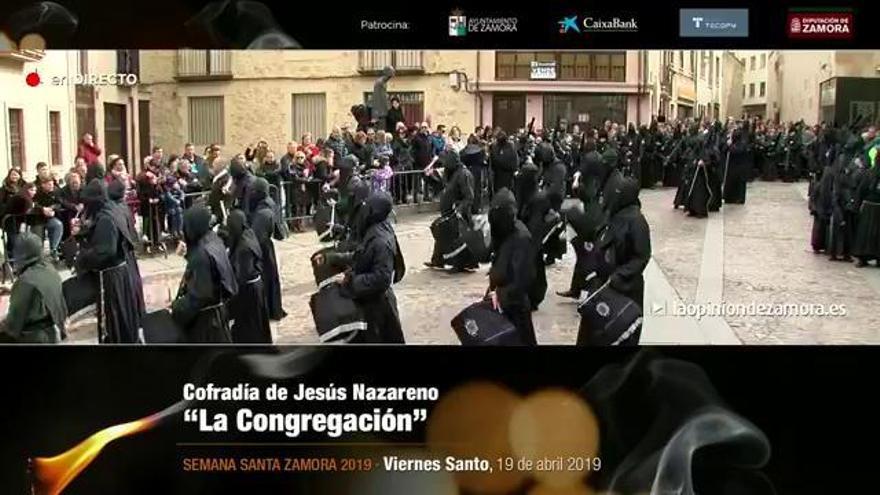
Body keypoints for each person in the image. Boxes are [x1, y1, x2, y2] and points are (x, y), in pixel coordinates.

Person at [318, 191, 405, 343]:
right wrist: (331, 258)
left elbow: (382, 277)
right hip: (370, 301)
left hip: (379, 308)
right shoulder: (374, 230)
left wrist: (350, 280)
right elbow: (361, 256)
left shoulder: (381, 241)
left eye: (367, 207)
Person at [75, 179, 145, 343]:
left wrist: (83, 258)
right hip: (120, 273)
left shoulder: (106, 217)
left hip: (112, 278)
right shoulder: (113, 209)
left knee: (114, 323)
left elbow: (105, 251)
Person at [171, 206, 238, 343]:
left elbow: (200, 295)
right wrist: (188, 254)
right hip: (218, 312)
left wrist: (177, 307)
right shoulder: (213, 240)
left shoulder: (202, 254)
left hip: (207, 323)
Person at [486, 188, 537, 345]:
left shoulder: (521, 238)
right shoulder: (505, 233)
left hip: (515, 306)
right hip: (502, 302)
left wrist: (500, 295)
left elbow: (523, 277)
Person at [596, 174, 652, 314]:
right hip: (606, 283)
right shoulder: (615, 213)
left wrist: (620, 275)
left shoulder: (637, 221)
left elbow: (641, 256)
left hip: (626, 286)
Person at [0, 232, 67, 343]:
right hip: (55, 332)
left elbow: (12, 324)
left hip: (34, 338)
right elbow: (37, 290)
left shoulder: (25, 282)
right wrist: (14, 289)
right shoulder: (50, 269)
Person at [225, 209, 272, 343]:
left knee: (249, 328)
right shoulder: (248, 233)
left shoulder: (244, 250)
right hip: (256, 286)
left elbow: (242, 276)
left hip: (248, 290)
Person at [426, 150, 476, 272]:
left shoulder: (463, 174)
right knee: (442, 234)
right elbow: (443, 187)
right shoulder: (451, 173)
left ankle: (460, 263)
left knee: (457, 240)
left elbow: (469, 196)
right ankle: (438, 260)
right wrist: (430, 177)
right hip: (448, 211)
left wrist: (459, 209)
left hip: (458, 212)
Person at [249, 178, 287, 321]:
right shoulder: (269, 204)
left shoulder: (263, 211)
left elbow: (256, 236)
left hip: (262, 248)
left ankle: (269, 309)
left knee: (267, 280)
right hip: (267, 247)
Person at [722, 124, 750, 204]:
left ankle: (739, 199)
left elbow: (738, 151)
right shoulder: (731, 142)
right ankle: (729, 198)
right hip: (732, 166)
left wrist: (730, 145)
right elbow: (724, 150)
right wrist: (728, 144)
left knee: (740, 184)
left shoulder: (742, 142)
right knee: (731, 182)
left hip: (740, 167)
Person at [461, 135, 487, 213]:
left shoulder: (464, 150)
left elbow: (462, 159)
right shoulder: (481, 151)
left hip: (467, 171)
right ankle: (476, 208)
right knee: (477, 189)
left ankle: (468, 208)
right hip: (477, 171)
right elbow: (483, 161)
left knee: (467, 190)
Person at [368, 66, 395, 131]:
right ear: (387, 73)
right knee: (380, 132)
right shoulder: (379, 83)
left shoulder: (384, 83)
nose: (390, 77)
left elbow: (383, 97)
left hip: (384, 113)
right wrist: (375, 116)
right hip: (379, 114)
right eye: (390, 75)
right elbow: (376, 99)